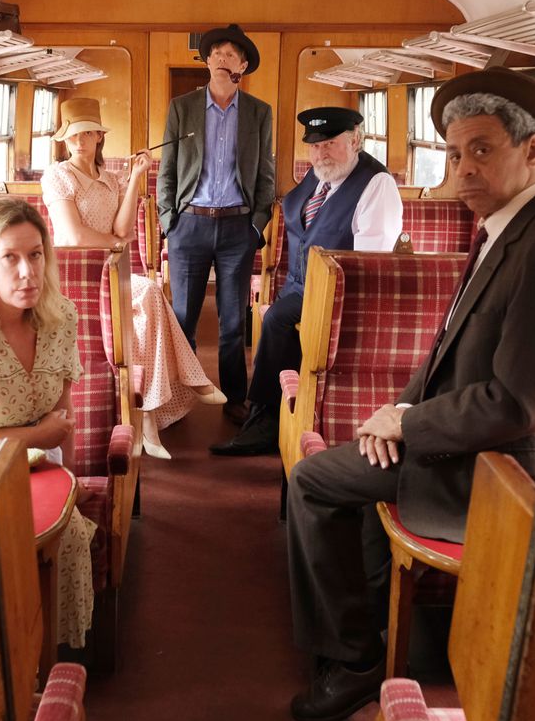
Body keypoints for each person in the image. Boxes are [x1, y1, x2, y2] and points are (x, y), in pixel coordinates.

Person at [285, 67, 535, 721]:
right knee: (353, 484)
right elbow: (448, 348)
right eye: (454, 153)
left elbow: (517, 404)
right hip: (456, 445)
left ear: (532, 151)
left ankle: (354, 660)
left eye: (482, 149)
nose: (463, 168)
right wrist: (395, 411)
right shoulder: (503, 229)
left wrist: (409, 425)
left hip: (499, 472)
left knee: (310, 481)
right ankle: (367, 637)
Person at [41, 98, 227, 460]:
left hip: (112, 273)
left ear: (98, 136)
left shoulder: (110, 179)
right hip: (74, 276)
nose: (79, 141)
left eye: (86, 133)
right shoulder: (58, 175)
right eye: (72, 135)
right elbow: (73, 236)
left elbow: (124, 229)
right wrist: (114, 244)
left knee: (140, 326)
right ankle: (192, 382)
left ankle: (147, 424)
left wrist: (137, 177)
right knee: (149, 291)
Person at [211, 107, 403, 455]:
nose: (320, 153)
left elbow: (370, 264)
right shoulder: (322, 175)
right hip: (302, 284)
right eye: (315, 146)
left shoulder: (376, 184)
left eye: (330, 144)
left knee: (275, 320)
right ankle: (276, 409)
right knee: (276, 318)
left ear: (355, 140)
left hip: (339, 291)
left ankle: (266, 419)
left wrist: (325, 296)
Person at [0, 198, 98, 650]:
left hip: (45, 474)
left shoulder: (61, 319)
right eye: (10, 257)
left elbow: (65, 418)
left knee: (72, 533)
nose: (28, 272)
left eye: (36, 254)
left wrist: (72, 485)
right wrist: (33, 436)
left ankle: (57, 659)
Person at [156, 24, 276, 425]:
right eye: (217, 53)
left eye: (232, 55)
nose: (224, 59)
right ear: (207, 61)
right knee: (183, 320)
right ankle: (179, 395)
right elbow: (167, 172)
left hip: (238, 229)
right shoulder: (181, 108)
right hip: (189, 225)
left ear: (243, 66)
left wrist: (257, 224)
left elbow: (266, 174)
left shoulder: (260, 113)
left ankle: (234, 401)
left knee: (231, 323)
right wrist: (168, 220)